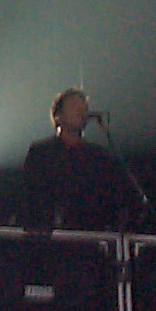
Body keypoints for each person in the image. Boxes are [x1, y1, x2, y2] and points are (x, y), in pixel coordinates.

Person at [20, 87, 140, 231]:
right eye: (74, 106)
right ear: (58, 116)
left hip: (89, 234)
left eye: (84, 108)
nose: (81, 111)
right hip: (52, 235)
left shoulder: (99, 156)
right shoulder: (41, 152)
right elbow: (30, 195)